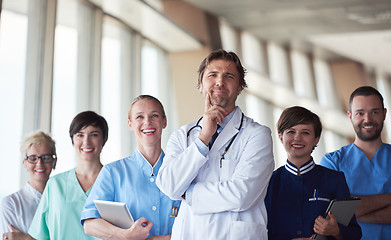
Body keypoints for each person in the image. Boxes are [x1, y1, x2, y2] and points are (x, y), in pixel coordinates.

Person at [156, 49, 274, 240]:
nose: (220, 81)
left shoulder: (257, 135)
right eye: (213, 75)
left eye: (229, 76)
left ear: (239, 87)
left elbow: (242, 194)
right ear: (201, 85)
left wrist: (188, 192)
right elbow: (169, 186)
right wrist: (203, 138)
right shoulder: (182, 136)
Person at [81, 95, 180, 240]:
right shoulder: (113, 172)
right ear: (130, 124)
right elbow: (89, 223)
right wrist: (126, 235)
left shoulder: (180, 170)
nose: (147, 122)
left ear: (164, 121)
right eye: (139, 117)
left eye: (154, 115)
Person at [265, 106, 362, 240]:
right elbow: (261, 229)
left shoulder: (335, 179)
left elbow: (355, 233)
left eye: (305, 132)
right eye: (291, 131)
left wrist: (336, 231)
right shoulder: (269, 182)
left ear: (316, 139)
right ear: (281, 137)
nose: (297, 138)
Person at [320, 86, 391, 239]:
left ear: (384, 114)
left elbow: (339, 214)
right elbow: (329, 214)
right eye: (360, 113)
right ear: (350, 116)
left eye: (374, 112)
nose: (368, 119)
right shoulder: (333, 162)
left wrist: (350, 212)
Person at [28, 111, 108, 239]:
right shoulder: (55, 185)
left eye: (94, 135)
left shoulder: (114, 182)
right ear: (72, 140)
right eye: (80, 135)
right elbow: (40, 236)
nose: (86, 142)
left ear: (104, 139)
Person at [0, 131, 57, 240]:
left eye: (46, 158)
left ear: (54, 162)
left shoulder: (63, 200)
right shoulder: (11, 204)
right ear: (25, 164)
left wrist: (27, 239)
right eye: (33, 158)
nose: (39, 164)